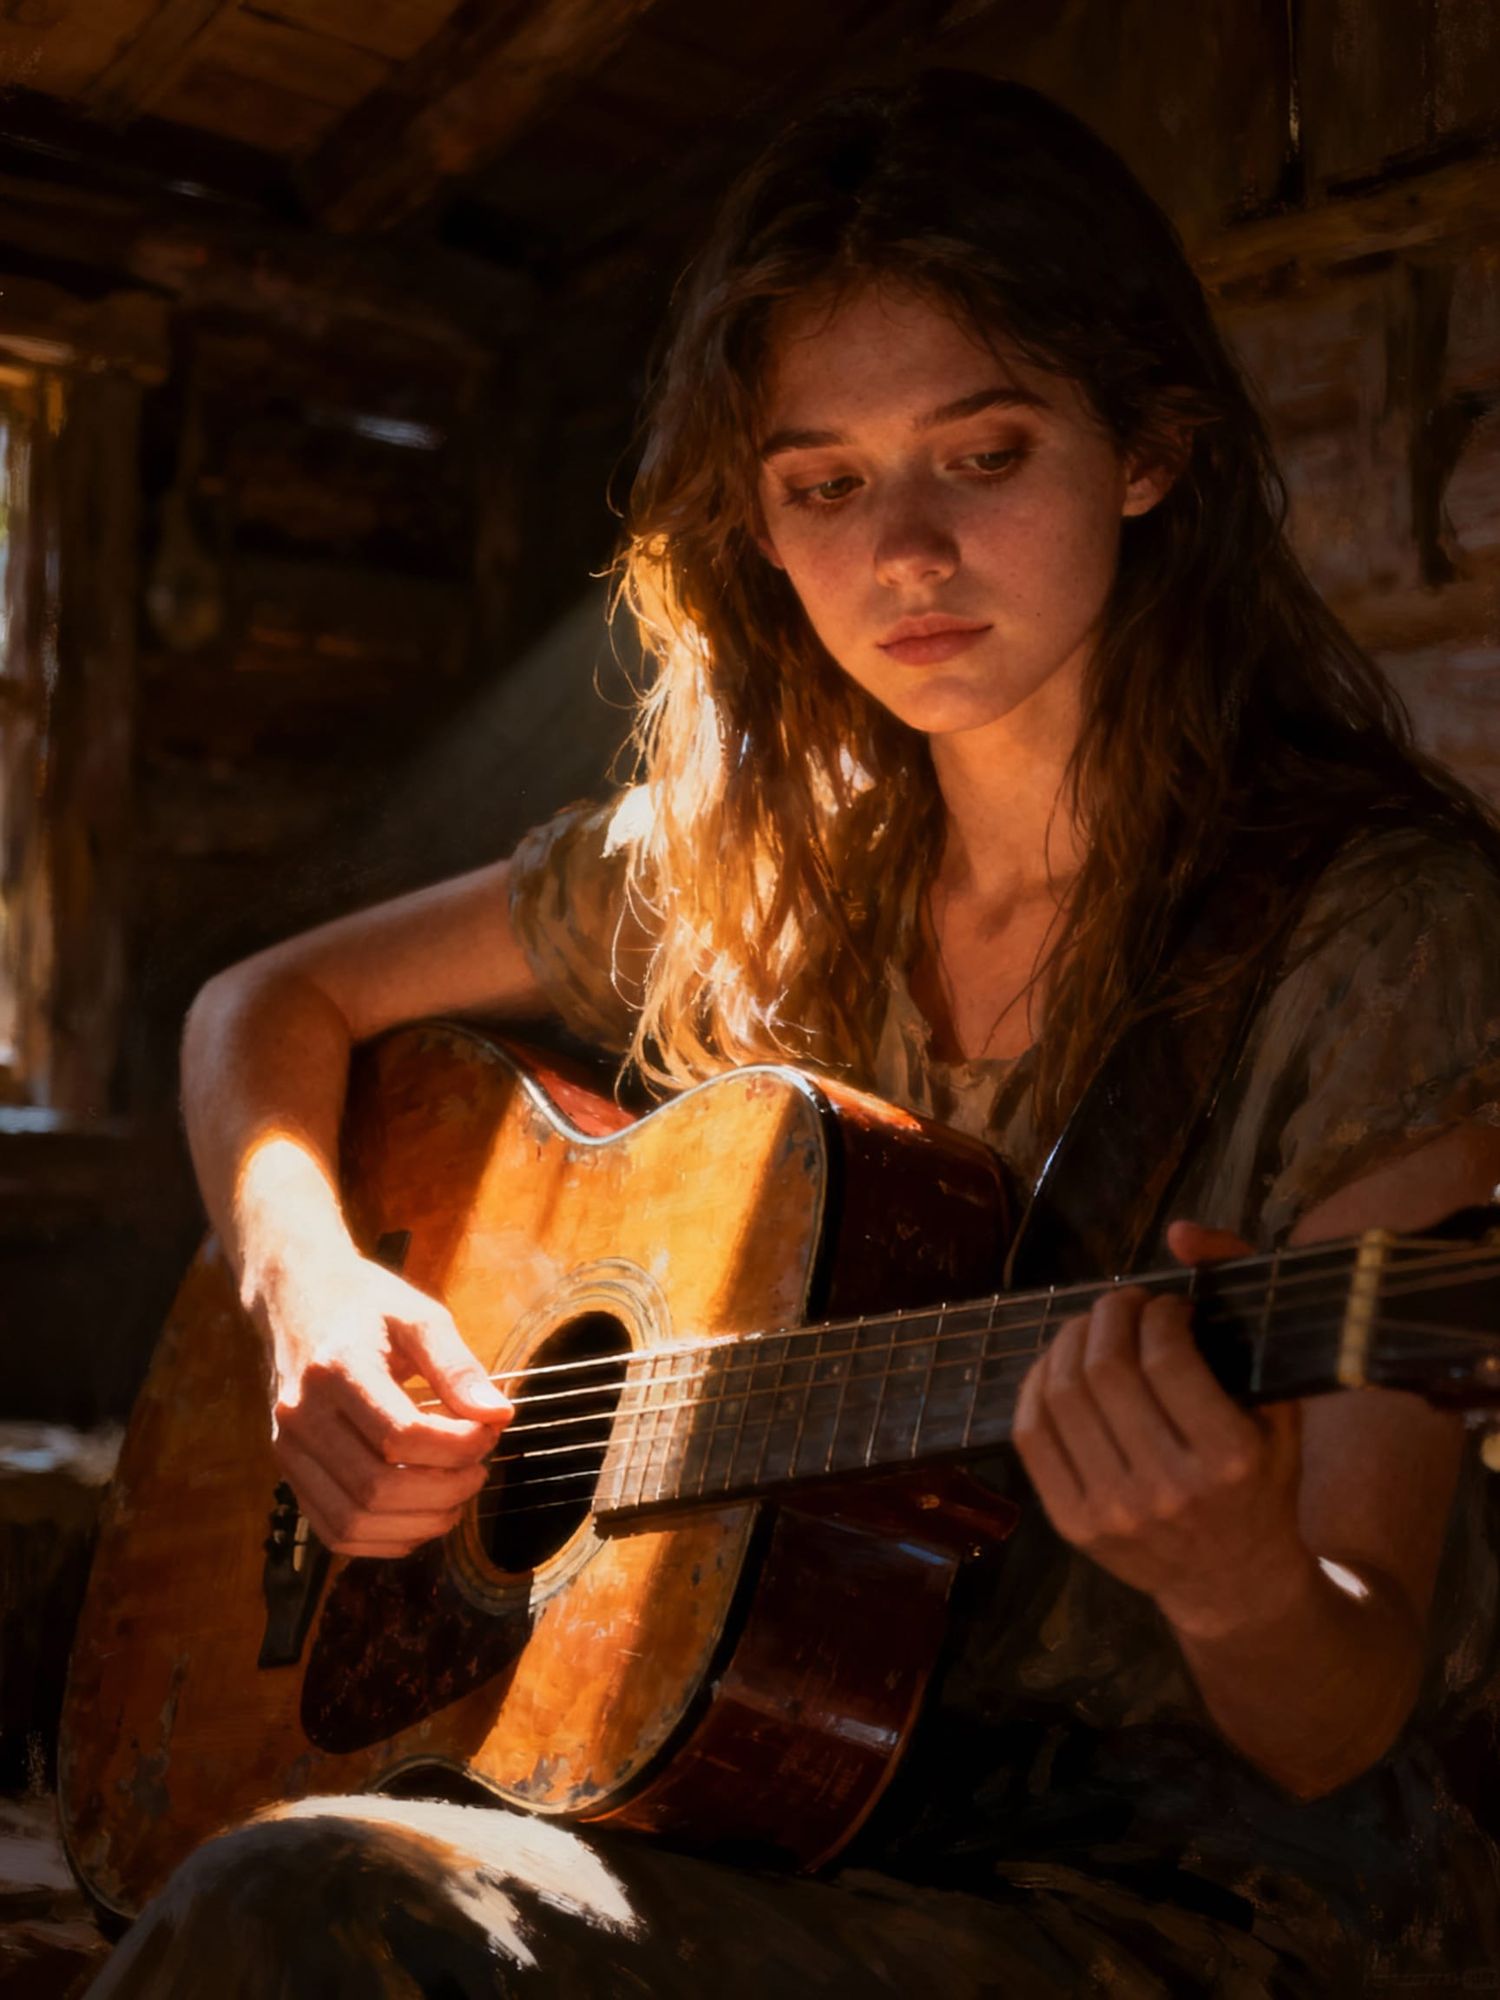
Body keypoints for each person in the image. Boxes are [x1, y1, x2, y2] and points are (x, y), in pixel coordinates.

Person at [92, 69, 1500, 1999]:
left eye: (983, 455)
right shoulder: (753, 859)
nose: (903, 553)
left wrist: (1235, 1569)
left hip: (1171, 1889)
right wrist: (311, 1289)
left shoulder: (1377, 933)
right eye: (823, 484)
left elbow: (1340, 1719)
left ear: (1149, 449)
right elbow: (266, 1004)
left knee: (307, 1906)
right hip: (769, 1793)